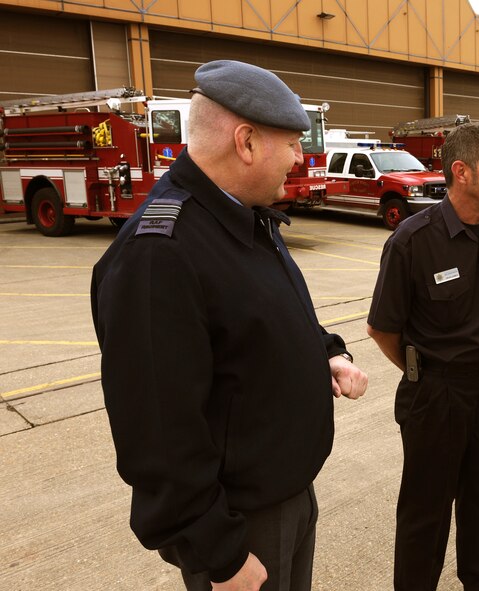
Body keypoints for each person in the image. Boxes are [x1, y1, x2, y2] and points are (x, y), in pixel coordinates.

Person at [91, 60, 368, 591]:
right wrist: (218, 553)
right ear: (245, 143)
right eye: (290, 143)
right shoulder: (160, 254)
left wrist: (326, 352)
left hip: (286, 495)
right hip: (239, 526)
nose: (298, 157)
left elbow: (271, 316)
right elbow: (158, 432)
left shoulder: (242, 215)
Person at [366, 121, 479, 591]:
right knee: (426, 515)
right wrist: (430, 371)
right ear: (461, 171)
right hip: (436, 394)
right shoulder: (412, 240)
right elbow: (382, 328)